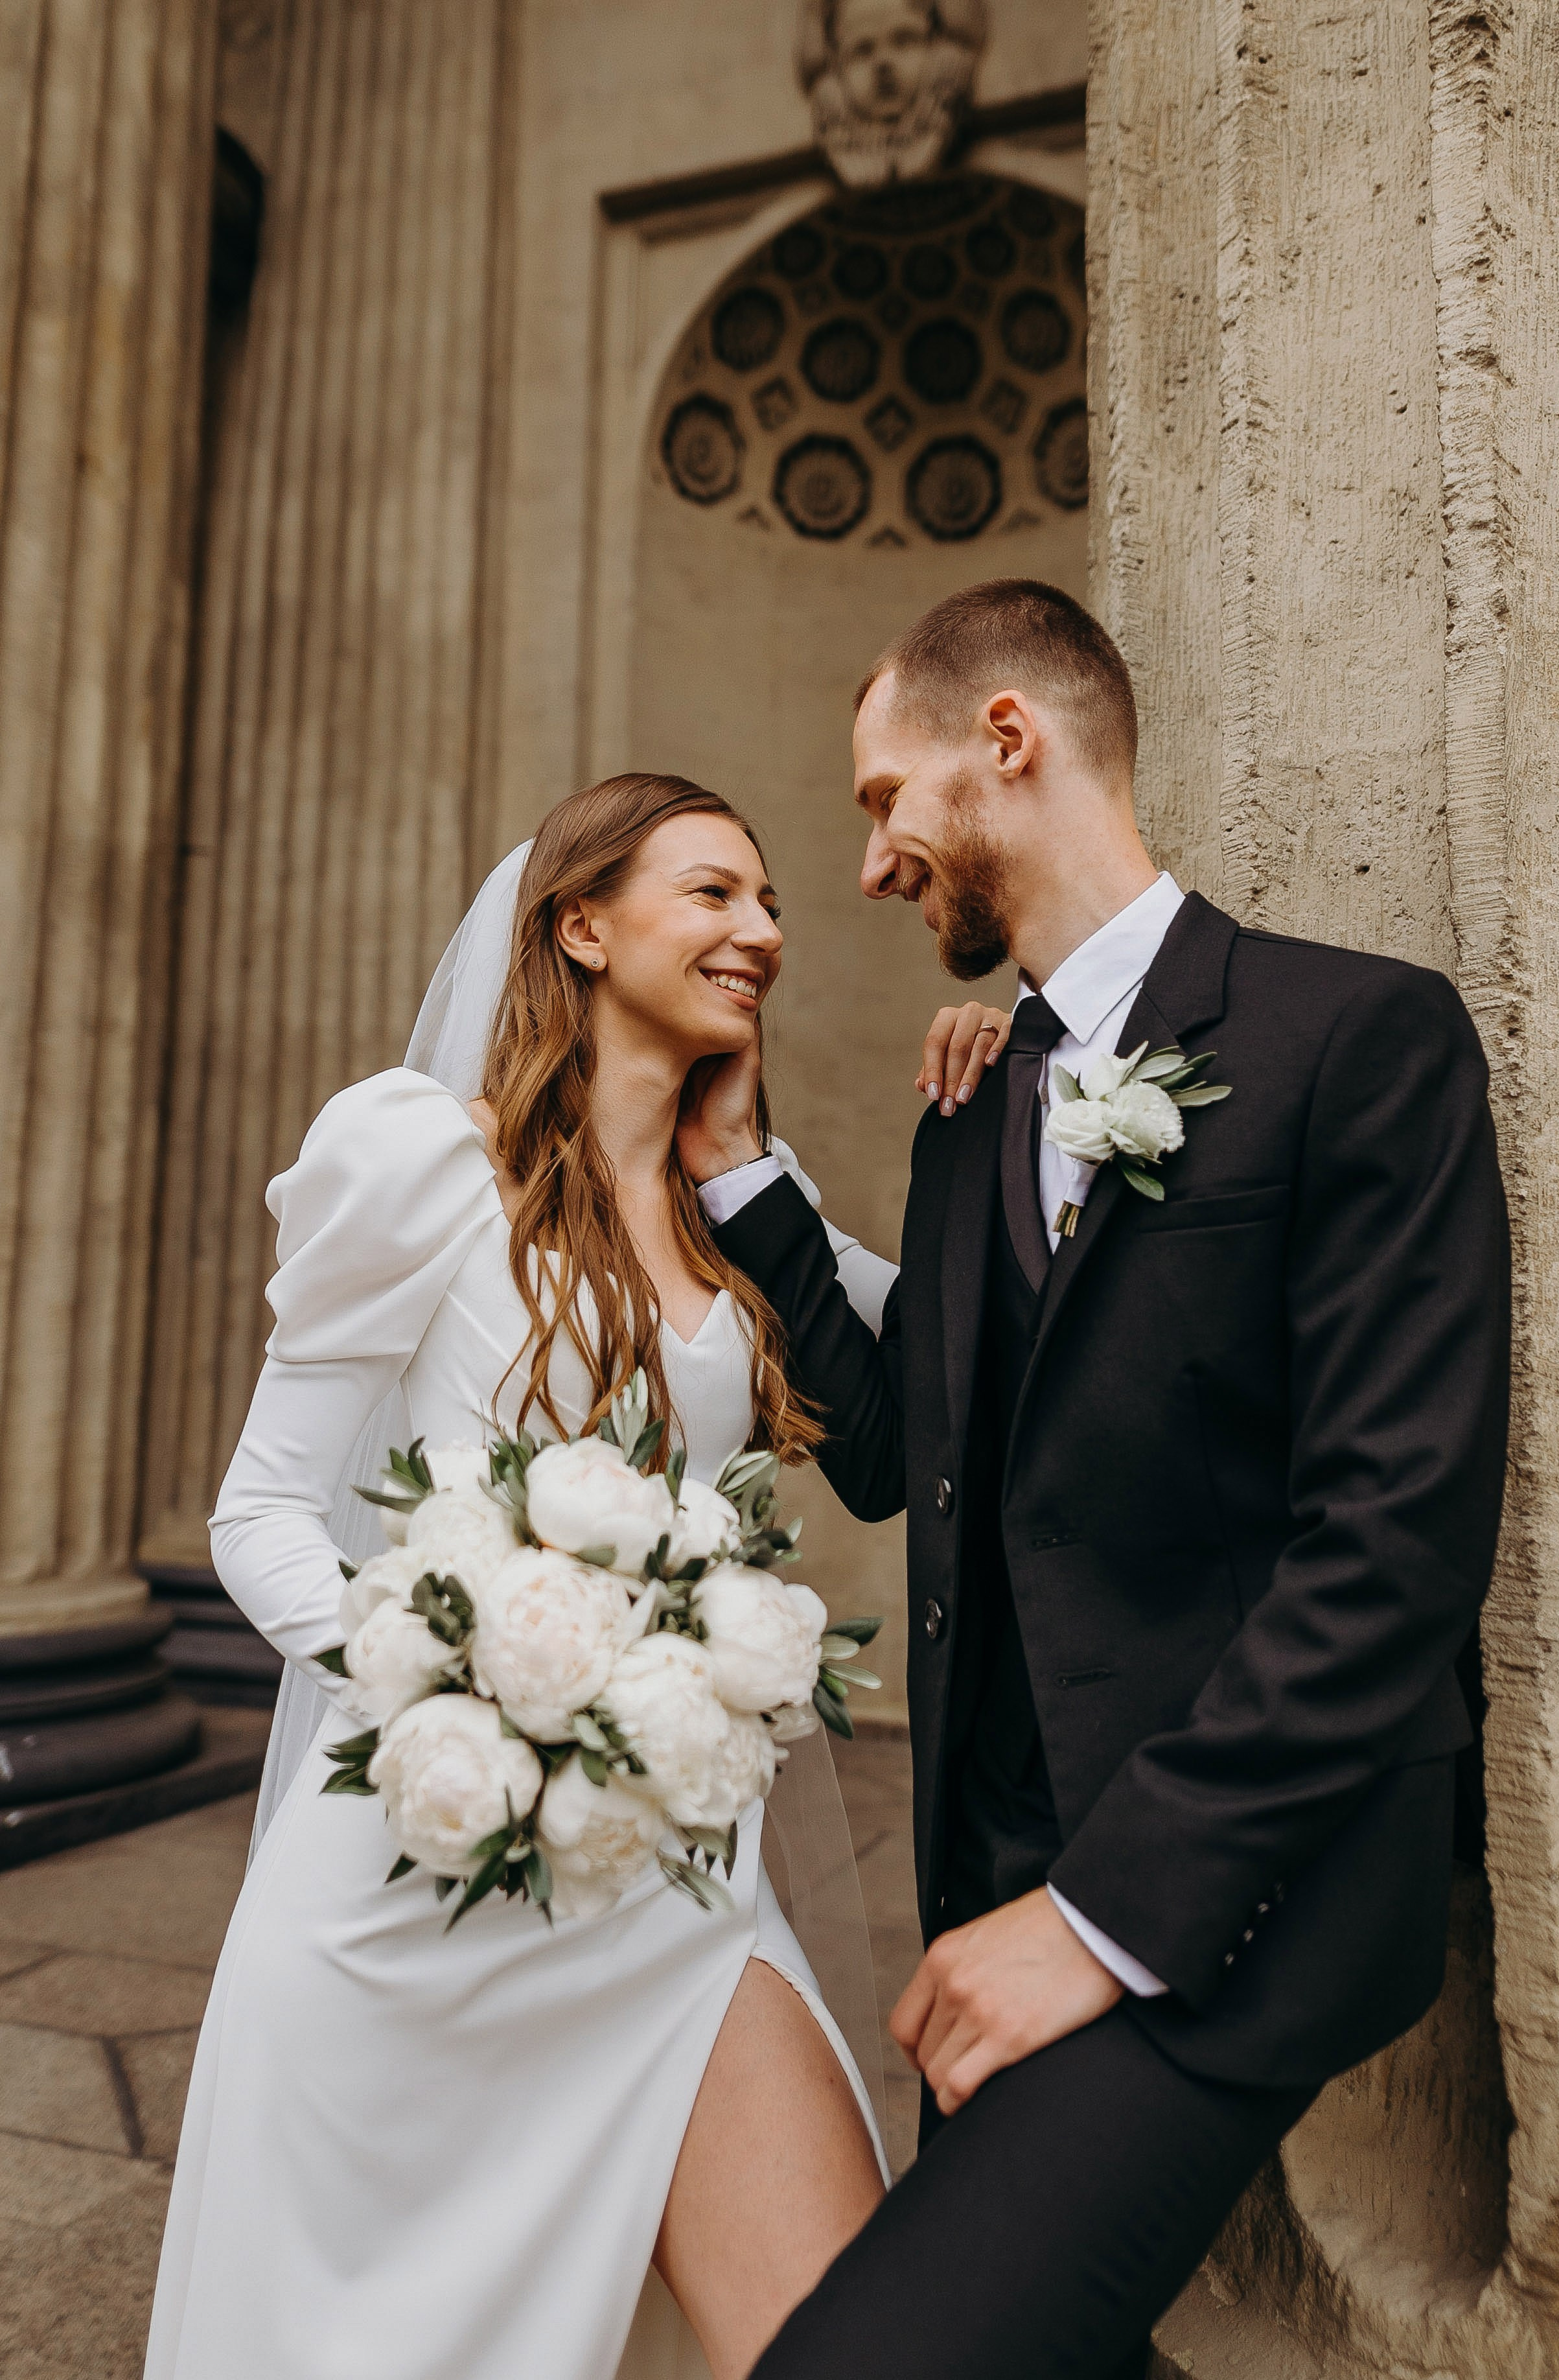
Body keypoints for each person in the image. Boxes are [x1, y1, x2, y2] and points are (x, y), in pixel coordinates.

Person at [678, 579, 1512, 2380]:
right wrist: (741, 1170)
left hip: (1243, 1880)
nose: (872, 864)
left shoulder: (1356, 1038)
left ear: (1008, 740)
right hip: (997, 1873)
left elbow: (1393, 1543)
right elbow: (905, 1455)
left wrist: (1101, 1916)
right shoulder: (974, 1104)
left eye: (883, 799)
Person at [144, 771, 1004, 2380]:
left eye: (769, 901)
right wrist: (447, 1676)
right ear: (584, 927)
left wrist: (1009, 1102)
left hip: (676, 1884)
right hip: (419, 1875)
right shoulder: (422, 1163)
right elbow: (259, 1513)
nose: (761, 929)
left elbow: (977, 1347)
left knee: (850, 2332)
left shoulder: (748, 1202)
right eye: (713, 892)